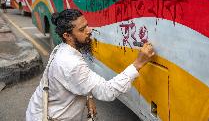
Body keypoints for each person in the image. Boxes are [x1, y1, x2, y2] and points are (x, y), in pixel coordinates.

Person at [26, 9, 155, 121]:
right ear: (67, 35)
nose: (89, 30)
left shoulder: (63, 48)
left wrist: (89, 97)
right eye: (82, 29)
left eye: (87, 25)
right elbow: (107, 91)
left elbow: (77, 82)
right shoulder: (71, 64)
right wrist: (138, 63)